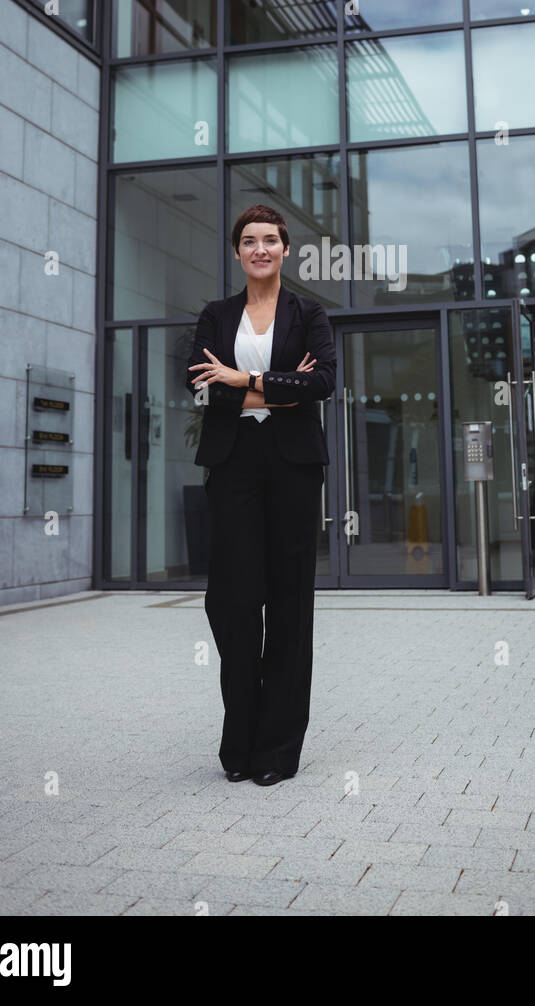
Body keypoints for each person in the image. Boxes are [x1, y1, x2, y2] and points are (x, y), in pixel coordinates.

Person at [186, 205, 336, 786]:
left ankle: (277, 749)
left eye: (270, 240)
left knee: (291, 605)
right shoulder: (216, 315)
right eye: (248, 241)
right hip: (233, 468)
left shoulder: (310, 313)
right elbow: (201, 386)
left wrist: (242, 379)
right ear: (236, 252)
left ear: (285, 248)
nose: (260, 249)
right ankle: (239, 742)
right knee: (233, 601)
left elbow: (321, 381)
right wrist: (279, 390)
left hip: (293, 469)